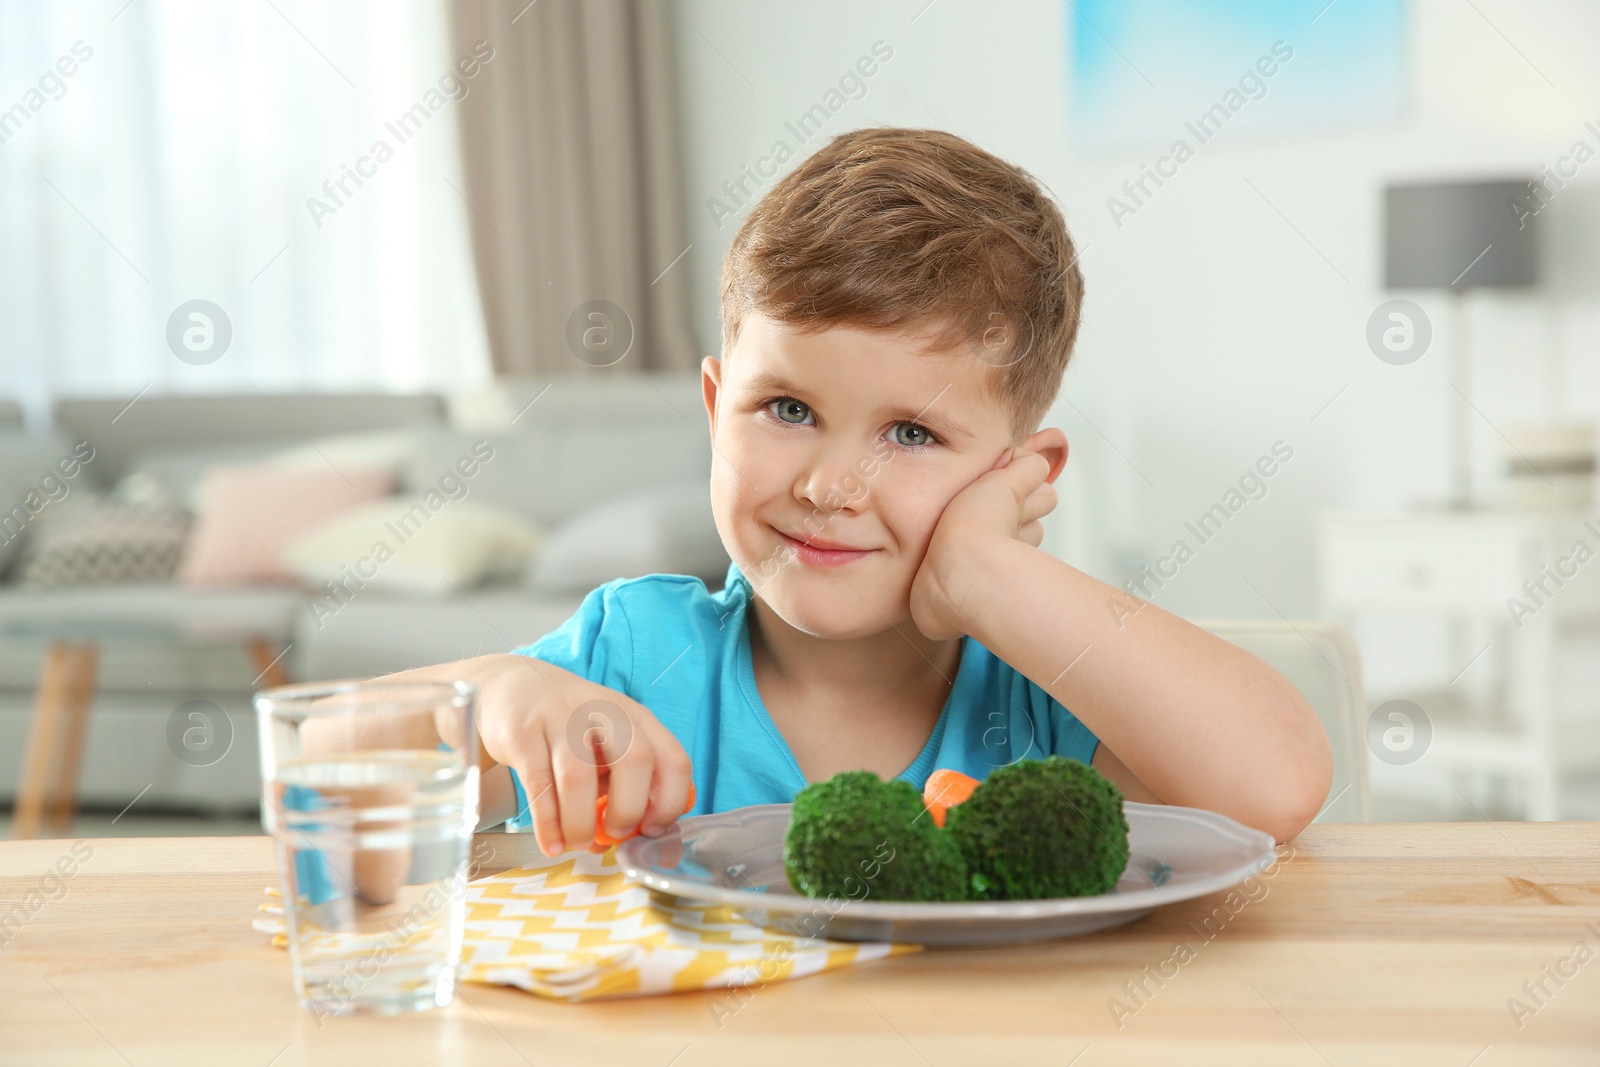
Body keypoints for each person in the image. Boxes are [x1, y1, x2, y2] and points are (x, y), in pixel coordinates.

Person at [374, 126, 1332, 860]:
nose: (830, 484)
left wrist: (983, 570)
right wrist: (499, 692)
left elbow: (1279, 783)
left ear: (1021, 473)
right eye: (786, 407)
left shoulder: (1046, 692)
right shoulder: (634, 658)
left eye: (911, 433)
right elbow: (333, 754)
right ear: (715, 407)